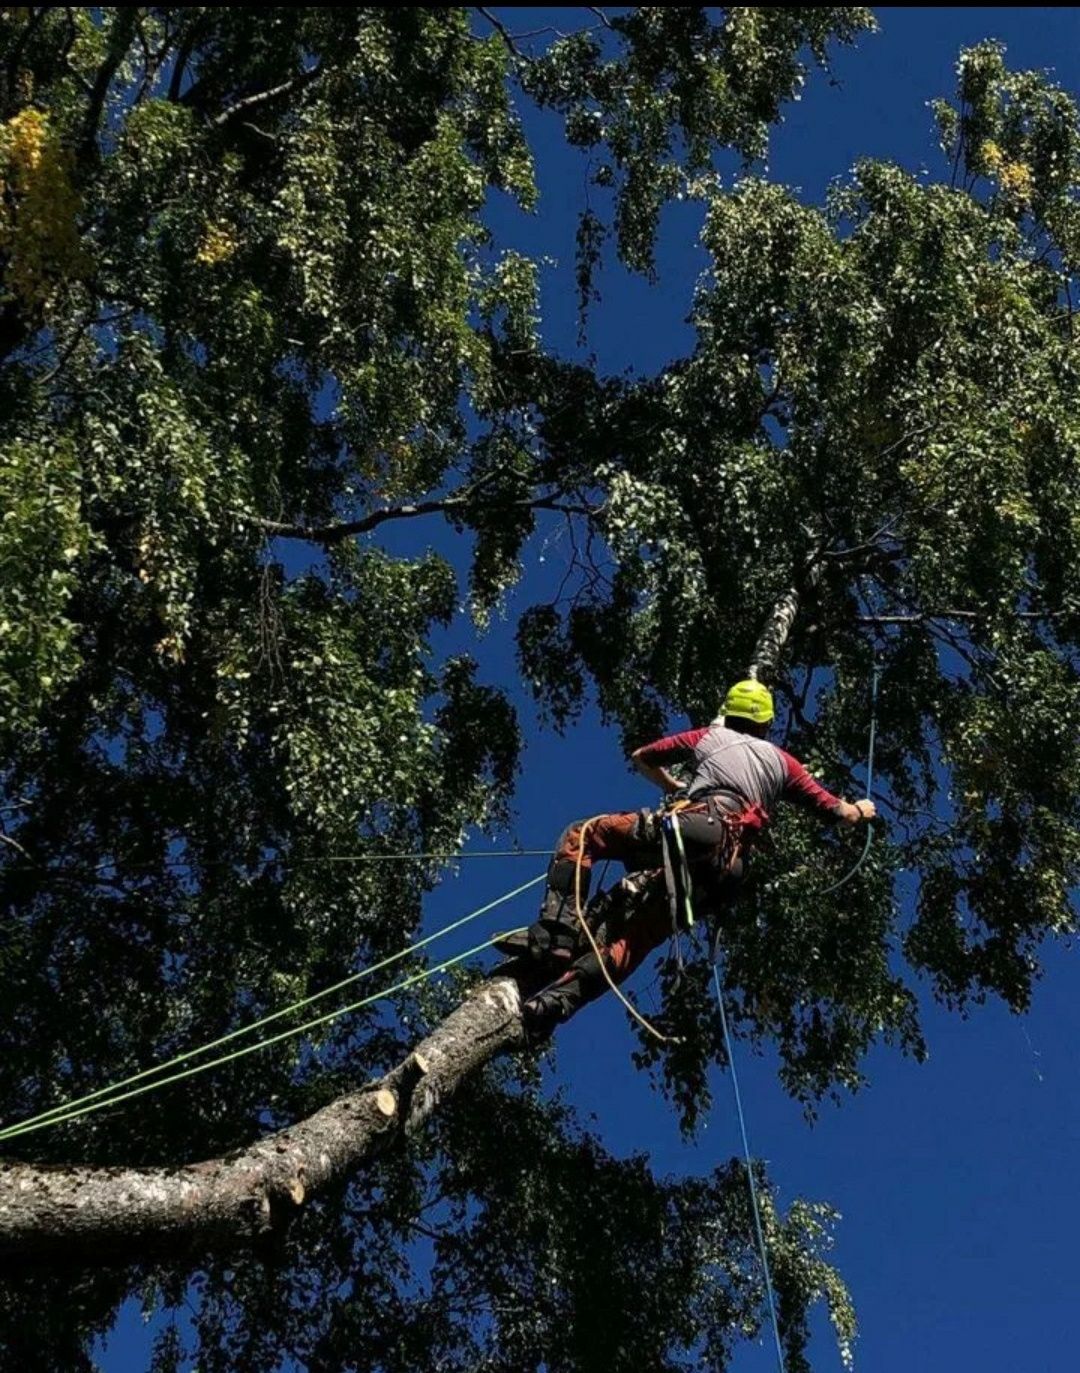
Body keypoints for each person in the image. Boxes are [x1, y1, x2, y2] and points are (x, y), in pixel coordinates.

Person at [499, 679, 876, 1036]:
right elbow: (839, 814)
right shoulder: (783, 763)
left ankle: (556, 933)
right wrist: (861, 809)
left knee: (583, 835)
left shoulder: (711, 736)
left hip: (697, 827)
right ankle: (556, 1003)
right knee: (639, 936)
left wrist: (673, 786)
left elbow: (642, 757)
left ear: (729, 715)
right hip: (726, 871)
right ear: (766, 722)